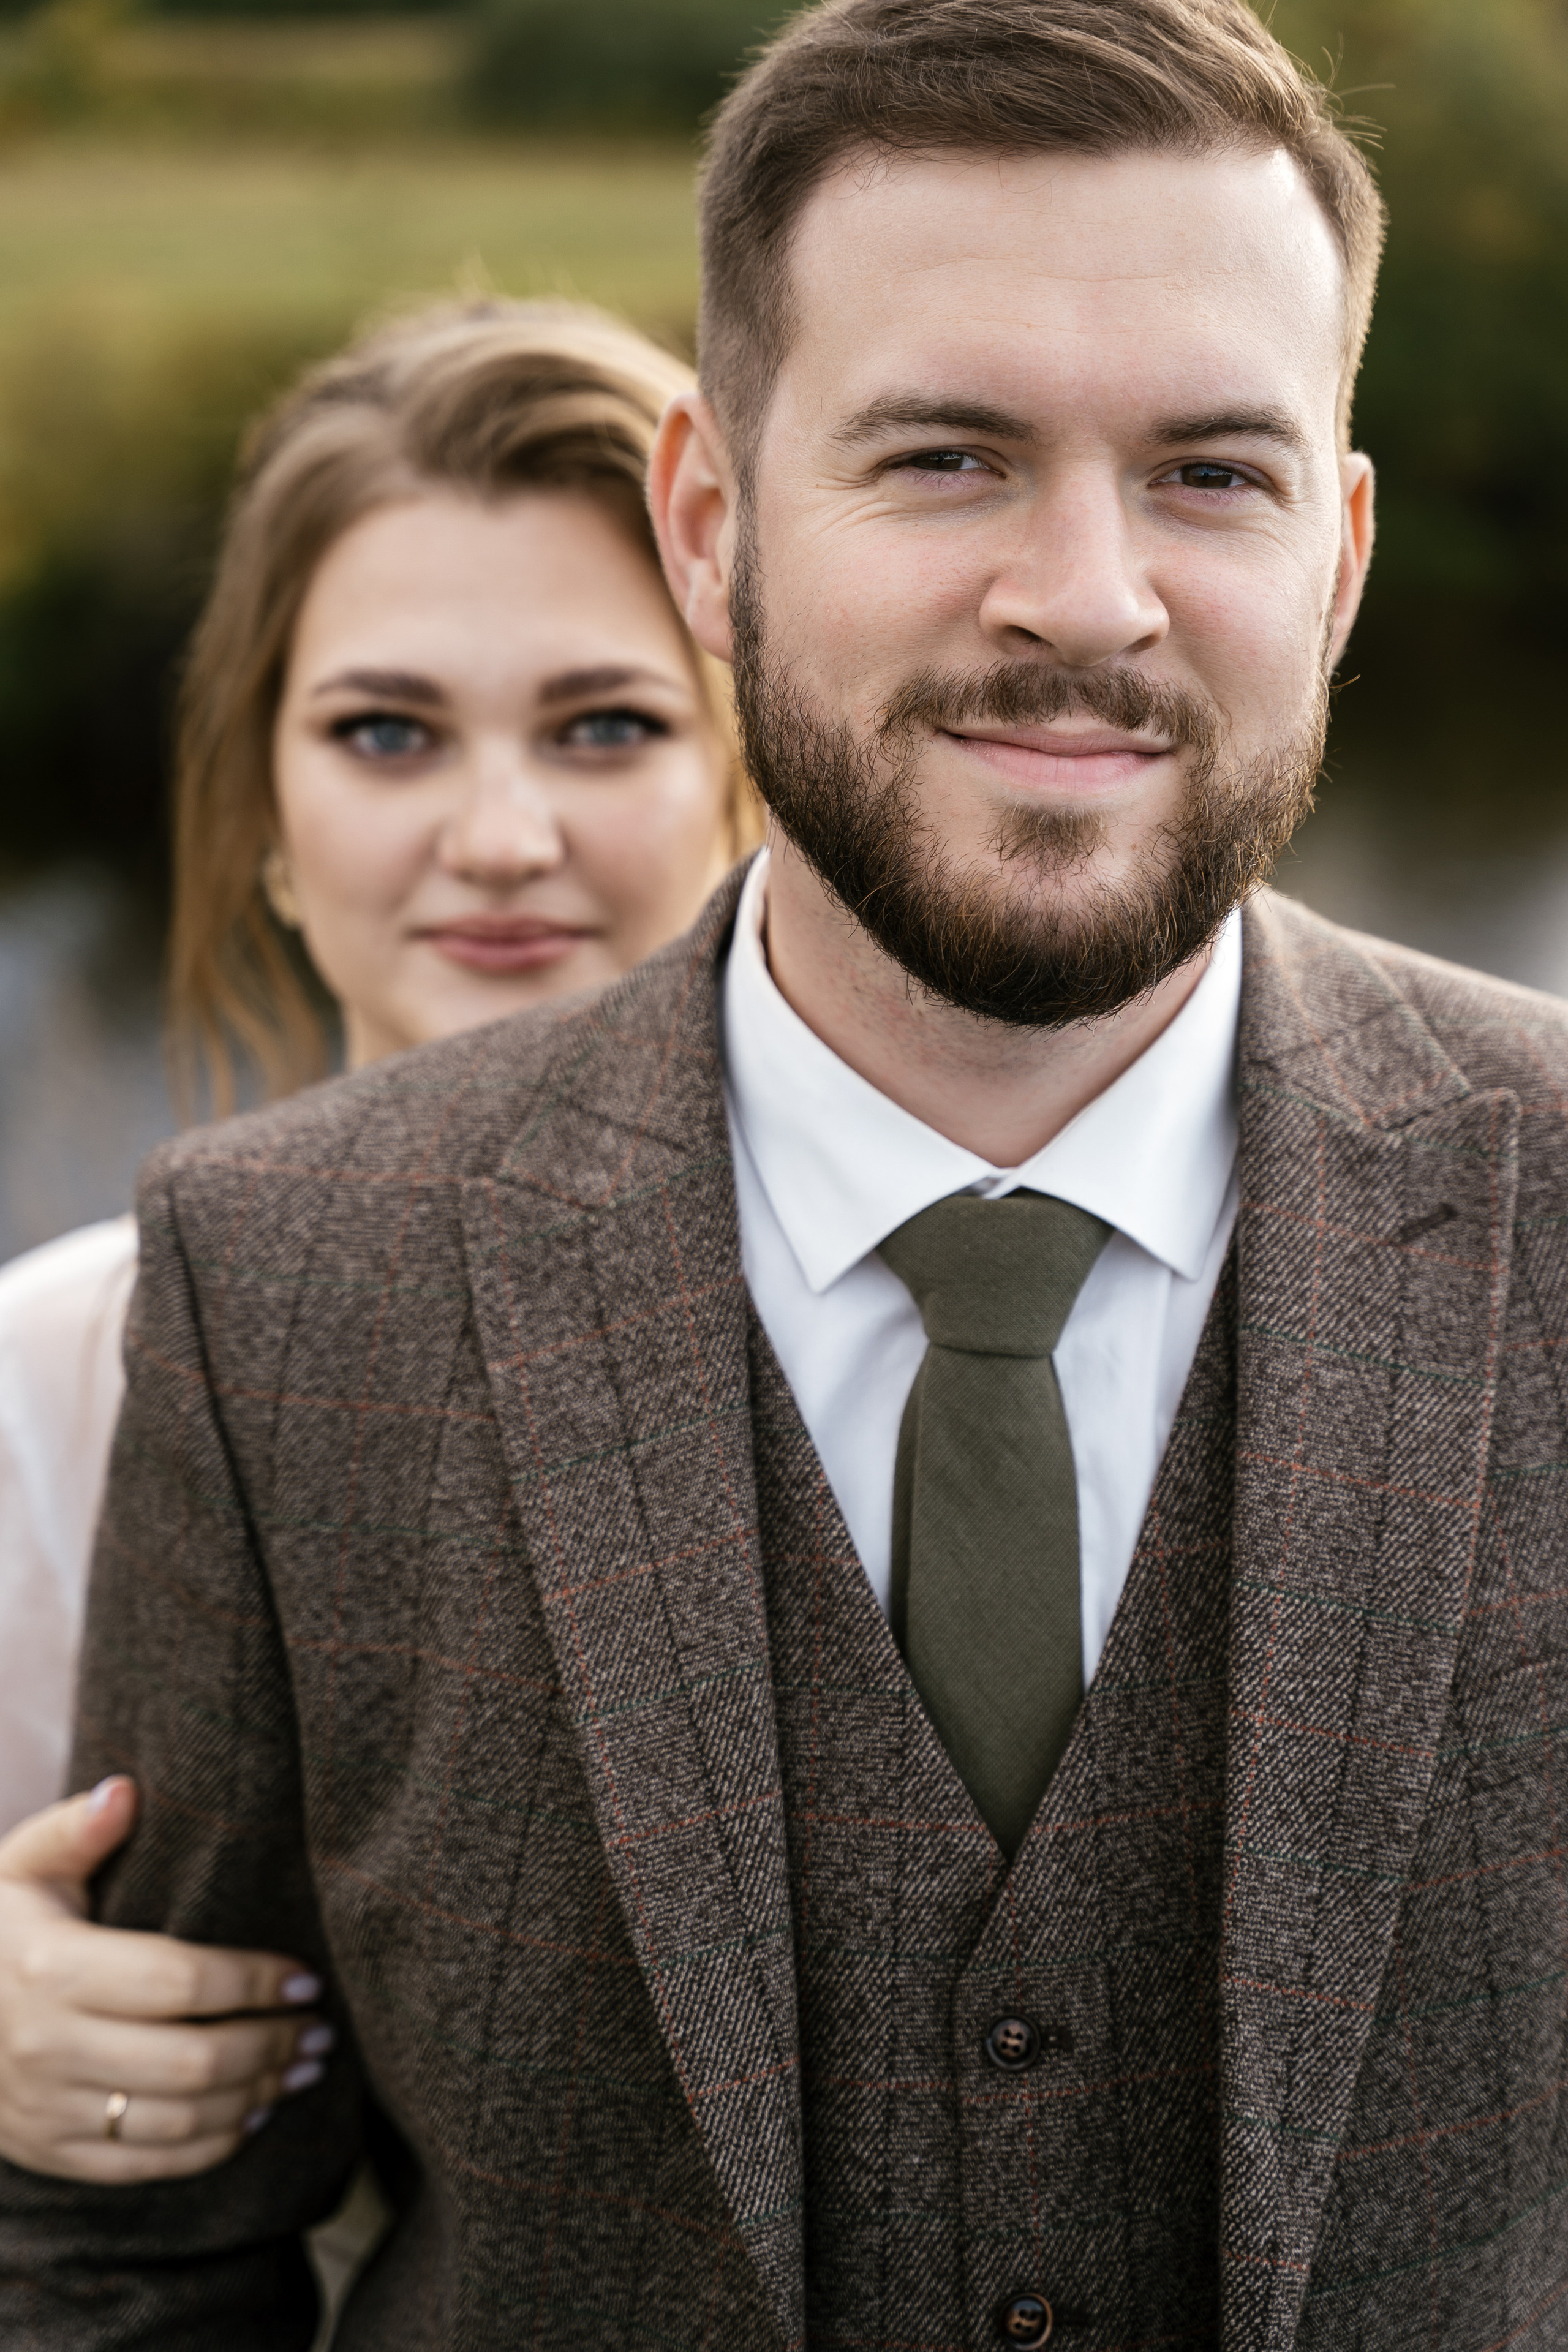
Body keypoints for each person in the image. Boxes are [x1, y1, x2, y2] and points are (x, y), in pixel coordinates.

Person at [6, 0, 1567, 2345]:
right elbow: (131, 2263)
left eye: (1212, 475)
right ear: (713, 525)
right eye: (947, 457)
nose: (1088, 596)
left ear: (1341, 557)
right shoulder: (277, 1297)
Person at [0, 295, 755, 2188]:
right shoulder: (53, 1375)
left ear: (756, 785)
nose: (498, 837)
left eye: (605, 726)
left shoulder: (943, 1325)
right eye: (387, 733)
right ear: (266, 809)